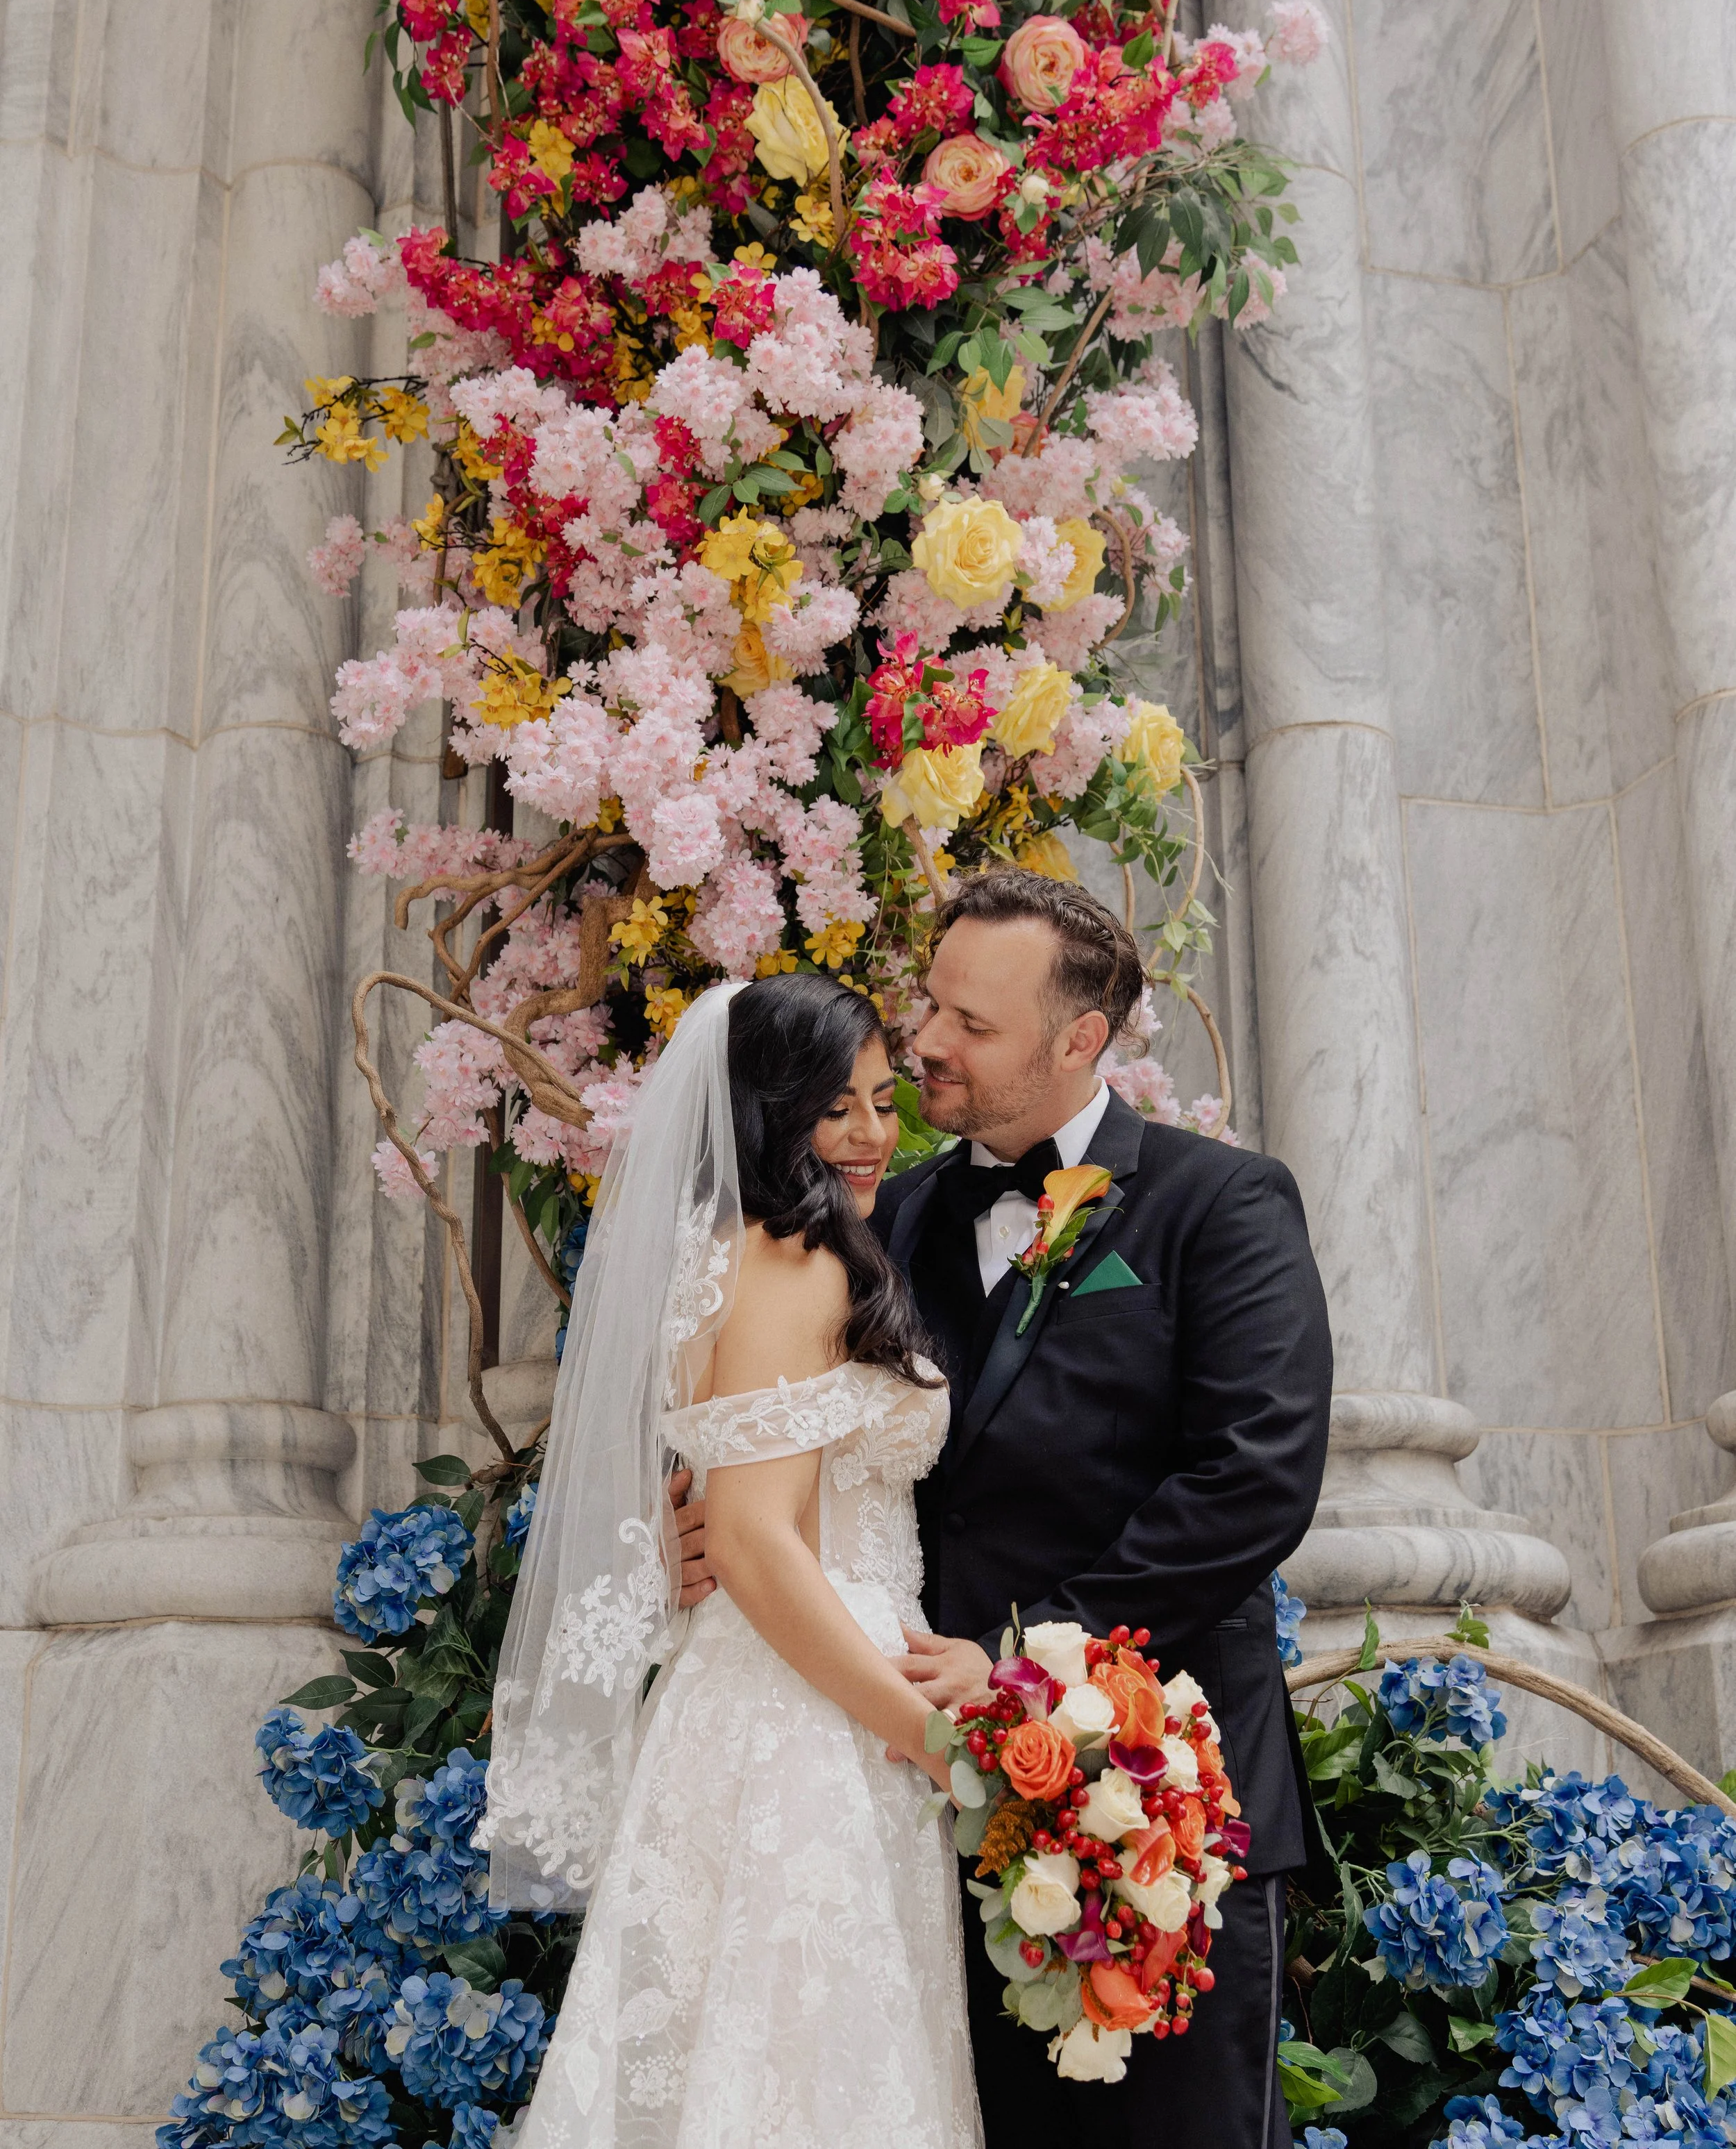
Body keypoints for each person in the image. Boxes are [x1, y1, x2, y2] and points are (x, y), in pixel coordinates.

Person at [477, 973, 983, 2149]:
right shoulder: (794, 1261)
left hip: (773, 1691)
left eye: (881, 1098)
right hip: (816, 1707)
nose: (872, 1133)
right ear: (769, 1112)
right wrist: (924, 1736)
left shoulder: (732, 1255)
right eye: (835, 1107)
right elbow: (755, 1542)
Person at [875, 868, 1334, 2146]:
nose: (928, 1044)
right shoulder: (896, 1213)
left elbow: (1254, 1476)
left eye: (973, 1024)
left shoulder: (1219, 1204)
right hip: (917, 1804)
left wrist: (1030, 1661)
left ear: (1082, 1039)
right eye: (930, 1009)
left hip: (1156, 1814)